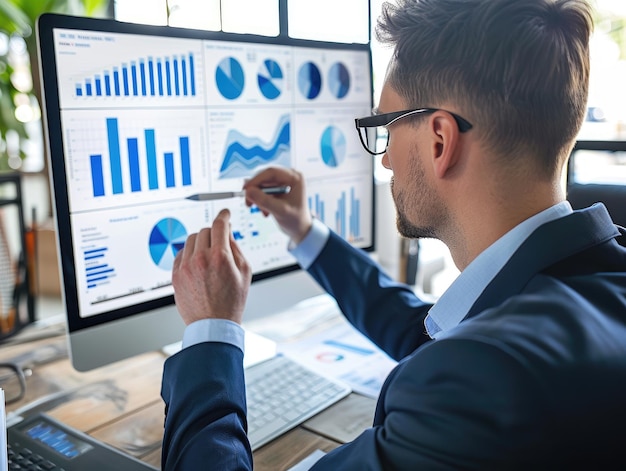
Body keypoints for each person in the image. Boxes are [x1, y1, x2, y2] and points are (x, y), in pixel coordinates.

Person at [160, 0, 626, 469]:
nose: (384, 158)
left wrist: (210, 331)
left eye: (386, 125)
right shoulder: (593, 283)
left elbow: (463, 363)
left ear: (440, 141)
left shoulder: (483, 380)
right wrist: (303, 231)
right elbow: (430, 335)